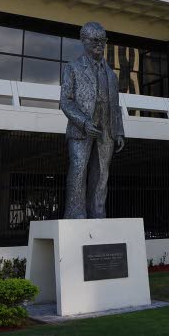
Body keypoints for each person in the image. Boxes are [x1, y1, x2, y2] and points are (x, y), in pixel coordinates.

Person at [60, 22, 125, 219]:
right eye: (95, 40)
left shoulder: (112, 75)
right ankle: (75, 214)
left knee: (102, 174)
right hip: (82, 129)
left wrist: (119, 131)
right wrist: (84, 122)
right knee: (79, 170)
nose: (99, 44)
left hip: (106, 129)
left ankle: (98, 213)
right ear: (83, 40)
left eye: (103, 40)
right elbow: (65, 101)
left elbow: (116, 106)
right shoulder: (73, 68)